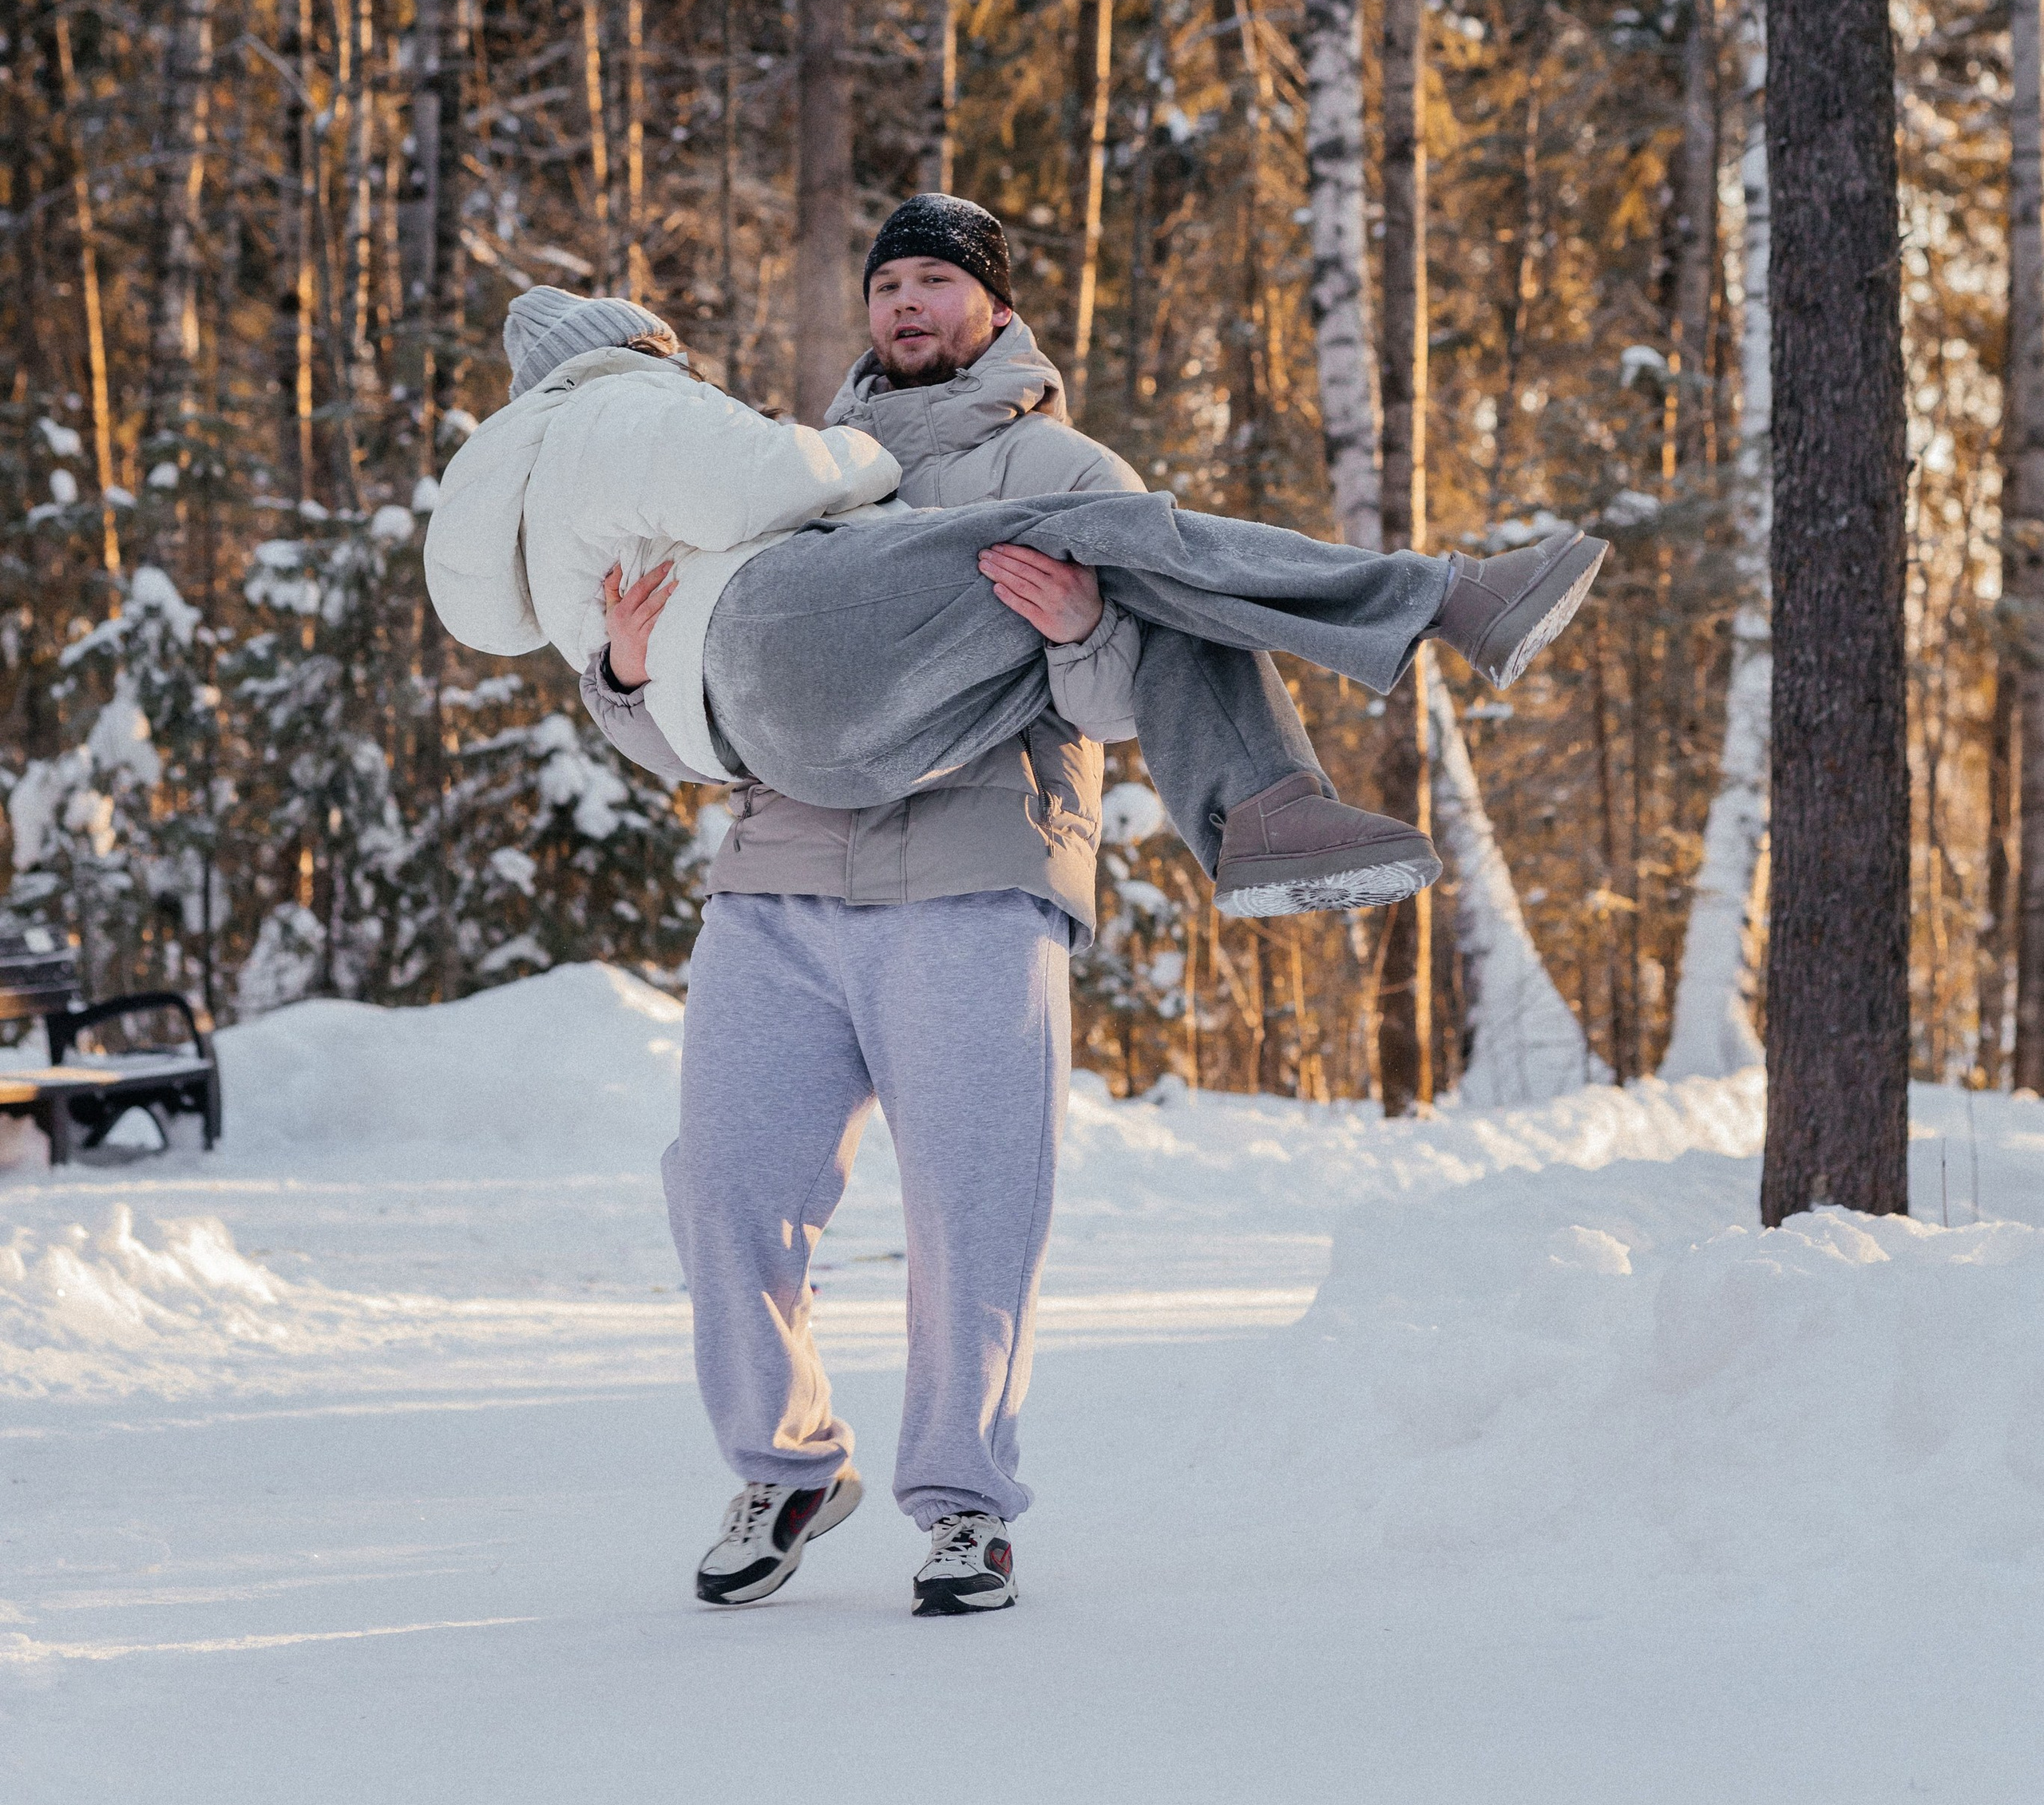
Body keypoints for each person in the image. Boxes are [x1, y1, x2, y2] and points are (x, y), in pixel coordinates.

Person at [425, 202, 1603, 1616]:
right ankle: (783, 1463)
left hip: (975, 879)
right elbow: (697, 730)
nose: (906, 307)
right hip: (779, 882)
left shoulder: (1060, 465)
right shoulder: (779, 463)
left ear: (994, 307)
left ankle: (963, 1508)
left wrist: (1079, 630)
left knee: (975, 1213)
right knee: (726, 1194)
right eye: (888, 285)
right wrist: (622, 671)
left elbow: (1125, 698)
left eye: (936, 282)